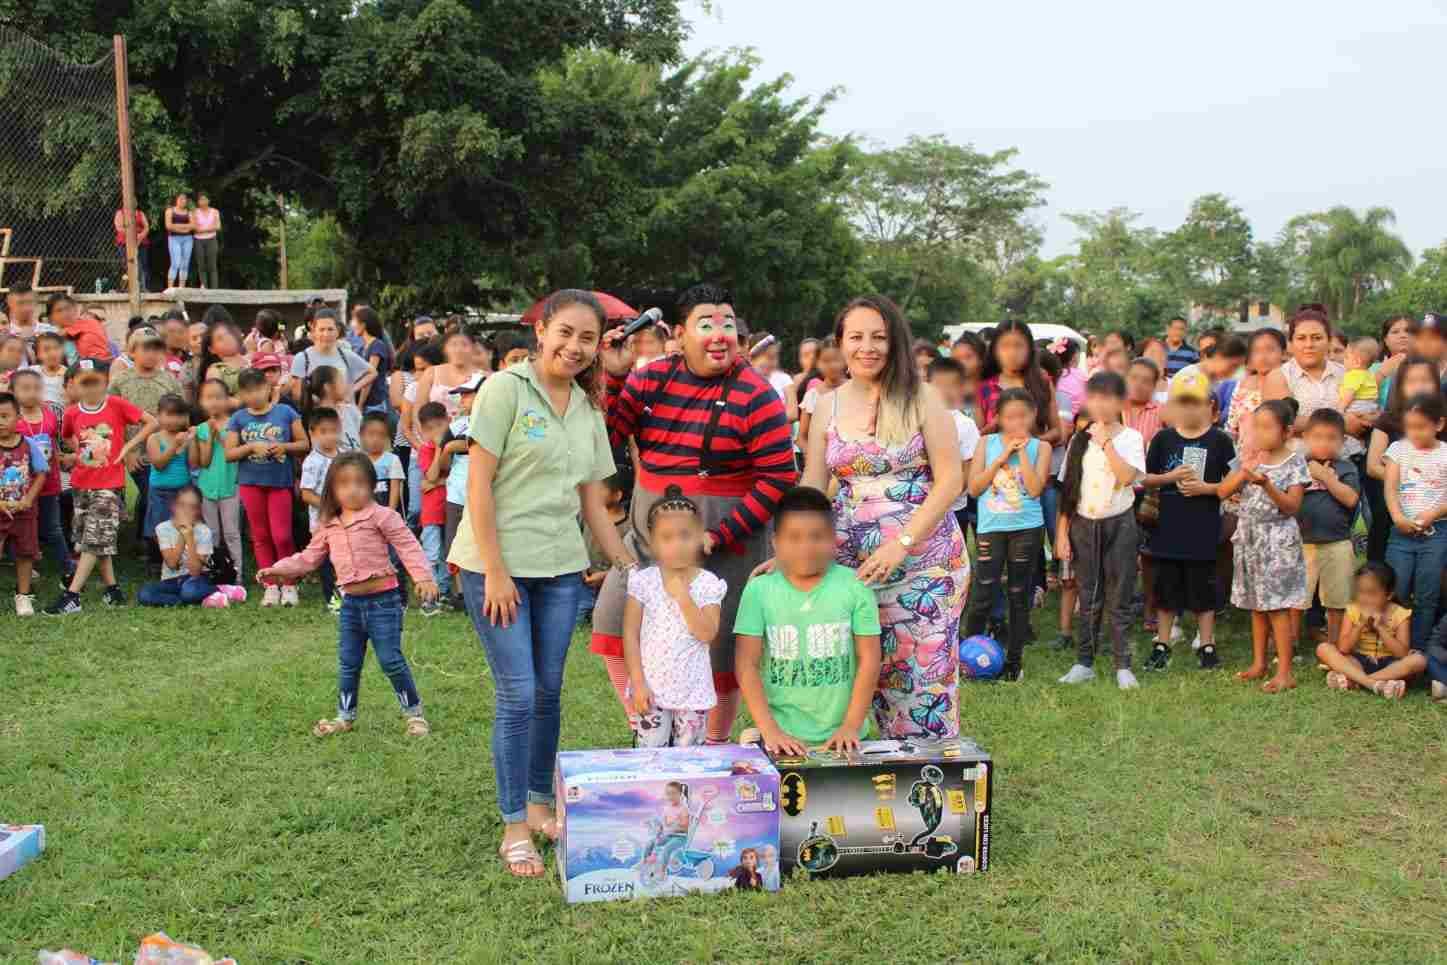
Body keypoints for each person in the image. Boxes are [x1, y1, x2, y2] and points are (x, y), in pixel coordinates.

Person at [447, 290, 634, 878]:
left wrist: (630, 566)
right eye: (566, 333)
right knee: (519, 694)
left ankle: (538, 804)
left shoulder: (587, 409)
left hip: (559, 570)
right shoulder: (504, 390)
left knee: (549, 692)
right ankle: (514, 828)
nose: (574, 347)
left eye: (588, 339)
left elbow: (594, 503)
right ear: (542, 332)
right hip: (495, 566)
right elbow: (478, 485)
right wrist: (495, 571)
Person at [593, 284, 795, 744]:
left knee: (718, 651)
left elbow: (778, 476)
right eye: (707, 324)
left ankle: (713, 746)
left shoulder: (758, 394)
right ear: (679, 334)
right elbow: (604, 440)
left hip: (727, 542)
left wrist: (718, 535)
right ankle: (649, 728)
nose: (720, 335)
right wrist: (615, 376)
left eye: (728, 324)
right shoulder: (649, 380)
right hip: (649, 536)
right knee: (612, 623)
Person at [798, 295, 968, 727]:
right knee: (856, 675)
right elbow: (814, 484)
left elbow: (951, 480)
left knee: (919, 681)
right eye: (856, 337)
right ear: (841, 343)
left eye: (879, 337)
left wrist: (902, 543)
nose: (867, 347)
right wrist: (790, 548)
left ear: (895, 342)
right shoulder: (827, 404)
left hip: (924, 564)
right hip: (849, 565)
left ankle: (926, 764)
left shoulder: (923, 398)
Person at [259, 451, 438, 737]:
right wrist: (278, 570)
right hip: (351, 604)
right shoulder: (328, 524)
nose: (352, 489)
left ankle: (414, 716)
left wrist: (424, 577)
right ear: (332, 488)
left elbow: (408, 546)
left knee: (391, 660)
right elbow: (308, 558)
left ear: (372, 486)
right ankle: (345, 717)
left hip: (384, 602)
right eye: (343, 483)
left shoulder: (383, 516)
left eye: (360, 483)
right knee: (348, 662)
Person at [734, 486, 882, 753]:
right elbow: (746, 664)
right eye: (794, 538)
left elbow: (869, 659)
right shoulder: (759, 590)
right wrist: (770, 731)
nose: (806, 547)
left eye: (817, 537)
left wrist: (850, 726)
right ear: (775, 542)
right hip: (781, 737)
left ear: (833, 540)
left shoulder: (856, 586)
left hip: (844, 737)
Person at [1055, 372, 1147, 689]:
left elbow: (1126, 477)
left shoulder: (1131, 438)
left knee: (1120, 595)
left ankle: (1123, 665)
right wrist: (1062, 533)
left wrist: (1106, 442)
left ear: (1121, 402)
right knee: (1088, 595)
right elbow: (1069, 490)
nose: (1100, 404)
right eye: (1094, 397)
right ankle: (1084, 662)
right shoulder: (1078, 440)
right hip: (1084, 524)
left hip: (1120, 523)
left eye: (1108, 398)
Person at [45, 358, 156, 614]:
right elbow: (68, 436)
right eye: (84, 382)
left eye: (96, 381)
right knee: (95, 538)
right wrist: (80, 454)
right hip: (81, 484)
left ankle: (72, 596)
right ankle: (113, 590)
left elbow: (151, 422)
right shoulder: (72, 412)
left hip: (109, 485)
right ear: (73, 384)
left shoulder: (116, 404)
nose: (91, 387)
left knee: (94, 540)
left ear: (105, 381)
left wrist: (127, 447)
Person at [1142, 365, 1235, 670]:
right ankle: (1162, 643)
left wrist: (1207, 488)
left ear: (1210, 406)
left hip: (1203, 528)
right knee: (1166, 590)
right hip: (1167, 529)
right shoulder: (1163, 439)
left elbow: (1235, 481)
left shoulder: (1220, 441)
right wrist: (1170, 477)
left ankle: (1206, 644)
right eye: (1182, 402)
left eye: (1196, 402)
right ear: (1170, 406)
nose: (1189, 409)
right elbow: (1146, 478)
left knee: (1203, 589)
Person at [622, 486, 728, 748]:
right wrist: (638, 682)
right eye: (667, 538)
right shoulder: (644, 582)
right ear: (652, 543)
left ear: (700, 537)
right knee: (650, 756)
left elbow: (707, 633)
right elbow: (630, 634)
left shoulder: (707, 584)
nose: (677, 545)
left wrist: (683, 597)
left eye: (685, 536)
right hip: (651, 690)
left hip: (693, 693)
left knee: (689, 761)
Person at [1220, 400, 1311, 693]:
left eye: (1267, 427)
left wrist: (1266, 484)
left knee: (1277, 607)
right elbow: (1222, 491)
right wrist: (1244, 472)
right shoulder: (1249, 457)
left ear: (1286, 432)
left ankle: (1284, 672)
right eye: (1256, 427)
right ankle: (1259, 663)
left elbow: (1292, 506)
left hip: (1277, 540)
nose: (1259, 433)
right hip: (1250, 538)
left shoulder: (1295, 462)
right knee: (1256, 605)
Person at [962, 389, 1049, 681]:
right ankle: (967, 657)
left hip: (1027, 528)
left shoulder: (1041, 447)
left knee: (1018, 594)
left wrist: (1022, 452)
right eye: (1010, 417)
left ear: (1033, 416)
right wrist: (1002, 457)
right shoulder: (985, 443)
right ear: (998, 418)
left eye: (1023, 417)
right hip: (991, 527)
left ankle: (1014, 661)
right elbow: (974, 488)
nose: (1017, 423)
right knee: (982, 591)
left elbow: (1034, 490)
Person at [226, 368, 307, 607]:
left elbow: (304, 443)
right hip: (250, 483)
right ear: (241, 394)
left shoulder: (286, 412)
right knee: (260, 536)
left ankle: (289, 582)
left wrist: (284, 447)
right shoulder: (238, 418)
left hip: (279, 483)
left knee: (282, 535)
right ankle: (270, 584)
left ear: (268, 388)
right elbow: (229, 453)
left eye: (258, 389)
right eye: (247, 392)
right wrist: (251, 447)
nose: (253, 396)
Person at [1381, 391, 1447, 650]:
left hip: (1436, 533)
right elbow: (1390, 488)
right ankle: (1391, 646)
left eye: (1421, 427)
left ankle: (1418, 649)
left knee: (1427, 594)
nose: (1414, 433)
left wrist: (1434, 513)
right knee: (1395, 589)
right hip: (1401, 533)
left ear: (1439, 424)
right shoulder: (1398, 450)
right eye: (1409, 427)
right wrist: (1397, 517)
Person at [1365, 356, 1444, 563]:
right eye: (1412, 381)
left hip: (1437, 506)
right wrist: (1408, 481)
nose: (1419, 386)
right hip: (1395, 504)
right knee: (1389, 562)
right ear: (1400, 386)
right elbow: (1373, 466)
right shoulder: (1388, 419)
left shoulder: (1440, 422)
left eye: (1425, 380)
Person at [1295, 409, 1360, 651]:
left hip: (1337, 542)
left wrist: (1326, 477)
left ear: (1343, 441)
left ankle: (1335, 646)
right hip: (1300, 542)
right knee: (1296, 600)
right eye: (1317, 437)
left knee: (1337, 600)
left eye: (1332, 438)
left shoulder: (1346, 468)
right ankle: (1289, 645)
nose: (1324, 443)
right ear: (1305, 438)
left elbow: (1351, 499)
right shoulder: (1297, 465)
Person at [1314, 562, 1421, 698]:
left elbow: (1402, 654)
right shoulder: (1352, 610)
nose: (1364, 598)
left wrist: (1380, 628)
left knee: (1418, 660)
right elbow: (1343, 648)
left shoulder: (1400, 614)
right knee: (1323, 648)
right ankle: (1376, 684)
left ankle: (1356, 679)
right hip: (1358, 662)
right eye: (1360, 592)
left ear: (1389, 595)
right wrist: (1360, 625)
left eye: (1371, 593)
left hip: (1390, 665)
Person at [1265, 307, 1361, 457]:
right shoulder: (1279, 376)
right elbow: (1281, 422)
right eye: (1301, 338)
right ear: (1290, 343)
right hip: (1298, 462)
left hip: (1350, 458)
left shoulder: (1345, 373)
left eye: (1317, 338)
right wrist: (1340, 422)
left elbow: (1364, 410)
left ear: (1329, 341)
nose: (1309, 345)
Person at [11, 370, 69, 586]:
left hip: (49, 481)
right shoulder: (11, 420)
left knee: (52, 527)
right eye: (25, 389)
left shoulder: (49, 414)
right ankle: (26, 563)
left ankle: (67, 565)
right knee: (20, 526)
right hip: (20, 484)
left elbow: (55, 443)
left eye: (37, 388)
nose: (32, 393)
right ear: (13, 392)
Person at [430, 374, 482, 603]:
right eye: (461, 395)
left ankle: (481, 589)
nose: (462, 400)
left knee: (481, 542)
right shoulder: (457, 425)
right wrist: (448, 448)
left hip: (484, 493)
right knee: (455, 544)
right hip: (457, 495)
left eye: (467, 394)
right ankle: (462, 594)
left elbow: (484, 444)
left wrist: (455, 445)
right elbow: (441, 464)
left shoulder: (496, 421)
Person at [138, 485, 228, 607]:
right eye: (182, 505)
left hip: (196, 579)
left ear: (198, 511)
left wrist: (189, 537)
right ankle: (190, 599)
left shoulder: (204, 531)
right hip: (171, 580)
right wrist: (182, 535)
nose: (186, 511)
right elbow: (172, 564)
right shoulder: (162, 528)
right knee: (145, 593)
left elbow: (195, 572)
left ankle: (218, 589)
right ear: (173, 506)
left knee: (189, 590)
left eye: (192, 507)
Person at [977, 319, 1064, 445]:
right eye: (1005, 346)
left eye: (1019, 346)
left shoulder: (1042, 381)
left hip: (1034, 456)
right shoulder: (983, 387)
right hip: (996, 457)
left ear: (1029, 349)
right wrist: (994, 425)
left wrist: (1032, 442)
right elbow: (976, 438)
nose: (1012, 353)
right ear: (995, 350)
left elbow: (1056, 431)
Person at [0, 391, 49, 615]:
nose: (1, 422)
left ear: (18, 418)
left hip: (24, 512)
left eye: (5, 416)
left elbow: (41, 473)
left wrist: (29, 499)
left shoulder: (28, 444)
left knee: (25, 553)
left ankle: (23, 595)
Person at [191, 378, 243, 583]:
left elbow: (233, 452)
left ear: (228, 399)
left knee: (231, 533)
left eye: (218, 397)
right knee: (211, 533)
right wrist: (210, 437)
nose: (213, 402)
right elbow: (204, 462)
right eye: (208, 398)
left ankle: (237, 575)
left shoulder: (235, 424)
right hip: (207, 486)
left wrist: (220, 435)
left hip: (230, 485)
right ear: (201, 402)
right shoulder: (202, 428)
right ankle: (215, 573)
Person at [927, 357, 981, 548]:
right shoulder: (918, 419)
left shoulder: (965, 424)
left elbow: (969, 467)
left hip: (954, 507)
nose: (945, 391)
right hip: (921, 505)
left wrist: (948, 495)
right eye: (938, 385)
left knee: (954, 552)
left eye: (952, 385)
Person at [300, 407, 344, 611]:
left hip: (345, 520)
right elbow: (306, 494)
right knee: (327, 561)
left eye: (333, 431)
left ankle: (349, 595)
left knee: (344, 559)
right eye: (323, 431)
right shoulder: (312, 461)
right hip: (322, 522)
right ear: (313, 433)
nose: (329, 436)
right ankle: (332, 599)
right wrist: (330, 506)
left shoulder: (344, 456)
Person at [289, 309, 374, 408]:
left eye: (330, 329)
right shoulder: (302, 358)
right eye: (321, 329)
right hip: (317, 415)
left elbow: (372, 373)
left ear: (337, 331)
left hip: (346, 414)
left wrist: (352, 390)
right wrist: (319, 401)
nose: (326, 334)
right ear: (314, 331)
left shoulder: (346, 355)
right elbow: (296, 394)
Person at [415, 401, 452, 615]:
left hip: (449, 509)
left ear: (448, 421)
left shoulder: (455, 447)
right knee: (432, 554)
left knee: (448, 554)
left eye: (440, 426)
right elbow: (430, 475)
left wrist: (438, 482)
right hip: (431, 512)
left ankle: (443, 593)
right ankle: (429, 597)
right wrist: (439, 448)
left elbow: (453, 475)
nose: (436, 432)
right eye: (430, 428)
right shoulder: (426, 450)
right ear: (423, 430)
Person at [143, 394, 195, 542]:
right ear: (159, 415)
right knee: (160, 530)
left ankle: (179, 554)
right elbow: (159, 465)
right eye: (170, 415)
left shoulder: (185, 437)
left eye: (179, 415)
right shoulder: (154, 438)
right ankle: (158, 554)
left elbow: (194, 462)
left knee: (182, 528)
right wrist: (174, 445)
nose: (175, 420)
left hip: (183, 491)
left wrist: (192, 441)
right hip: (160, 492)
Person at [410, 328, 478, 427]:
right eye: (453, 345)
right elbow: (418, 411)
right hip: (433, 433)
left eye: (464, 345)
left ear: (474, 348)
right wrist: (428, 434)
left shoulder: (485, 377)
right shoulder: (431, 373)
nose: (458, 350)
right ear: (445, 348)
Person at [797, 336, 846, 444]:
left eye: (836, 359)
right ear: (817, 363)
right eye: (826, 361)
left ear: (845, 359)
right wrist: (811, 453)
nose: (832, 365)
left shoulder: (857, 390)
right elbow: (801, 438)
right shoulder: (812, 396)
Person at [302, 365, 361, 452]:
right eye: (341, 382)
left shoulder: (351, 411)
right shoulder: (317, 418)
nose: (345, 385)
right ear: (327, 387)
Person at [350, 305, 393, 414]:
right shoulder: (364, 346)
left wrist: (360, 404)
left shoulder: (376, 345)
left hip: (374, 403)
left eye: (354, 322)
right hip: (367, 402)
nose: (352, 325)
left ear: (363, 325)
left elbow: (369, 379)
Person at [748, 333, 798, 423]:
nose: (774, 361)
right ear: (752, 359)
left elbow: (793, 413)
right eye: (770, 357)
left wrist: (767, 422)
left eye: (776, 357)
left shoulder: (784, 379)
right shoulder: (746, 381)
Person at [361, 412, 404, 513]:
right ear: (362, 435)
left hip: (387, 513)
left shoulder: (393, 460)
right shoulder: (359, 461)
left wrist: (390, 513)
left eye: (381, 435)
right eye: (371, 434)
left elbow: (395, 490)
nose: (375, 439)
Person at [48, 295, 111, 362]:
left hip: (94, 362)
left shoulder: (84, 324)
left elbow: (60, 334)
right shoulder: (81, 326)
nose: (65, 313)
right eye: (59, 310)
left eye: (102, 319)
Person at [1337, 336, 1380, 420]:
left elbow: (1349, 394)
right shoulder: (1368, 374)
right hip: (1370, 406)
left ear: (1357, 362)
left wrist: (1340, 409)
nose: (1343, 360)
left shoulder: (1354, 375)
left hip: (1357, 406)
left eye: (1346, 357)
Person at [114, 205, 150, 291]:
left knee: (143, 265)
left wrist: (141, 236)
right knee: (129, 266)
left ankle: (143, 288)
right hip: (125, 242)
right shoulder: (120, 213)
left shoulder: (140, 213)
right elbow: (119, 227)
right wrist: (133, 235)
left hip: (141, 242)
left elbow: (146, 227)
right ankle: (129, 288)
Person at [191, 193, 221, 288]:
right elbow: (194, 228)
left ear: (209, 200)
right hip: (198, 240)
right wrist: (210, 228)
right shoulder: (194, 212)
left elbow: (218, 226)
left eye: (204, 199)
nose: (203, 201)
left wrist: (203, 229)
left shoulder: (215, 211)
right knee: (201, 265)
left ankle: (214, 289)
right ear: (198, 202)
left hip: (211, 239)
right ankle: (204, 287)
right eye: (200, 200)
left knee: (212, 265)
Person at [163, 193, 194, 287]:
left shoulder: (189, 212)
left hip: (188, 239)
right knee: (175, 263)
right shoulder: (170, 211)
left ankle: (181, 290)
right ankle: (170, 289)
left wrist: (176, 226)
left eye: (185, 199)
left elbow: (193, 226)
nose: (183, 201)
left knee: (185, 264)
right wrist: (185, 227)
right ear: (176, 200)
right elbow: (168, 226)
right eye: (181, 199)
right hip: (174, 239)